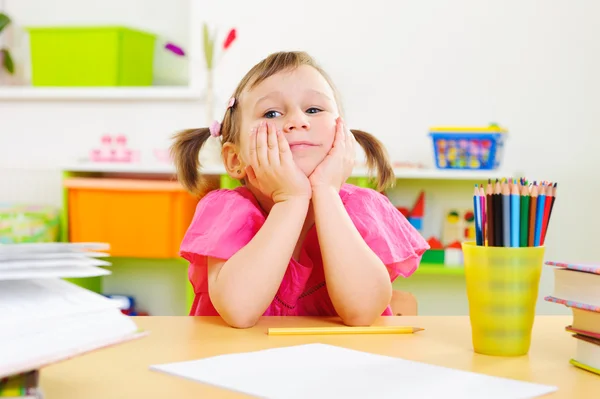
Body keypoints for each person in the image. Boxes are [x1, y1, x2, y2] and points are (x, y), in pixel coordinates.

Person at [170, 51, 429, 328]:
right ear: (235, 159)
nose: (298, 121)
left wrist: (326, 192)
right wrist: (290, 200)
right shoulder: (225, 209)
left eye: (314, 110)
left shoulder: (364, 208)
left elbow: (362, 312)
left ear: (342, 138)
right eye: (272, 113)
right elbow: (239, 311)